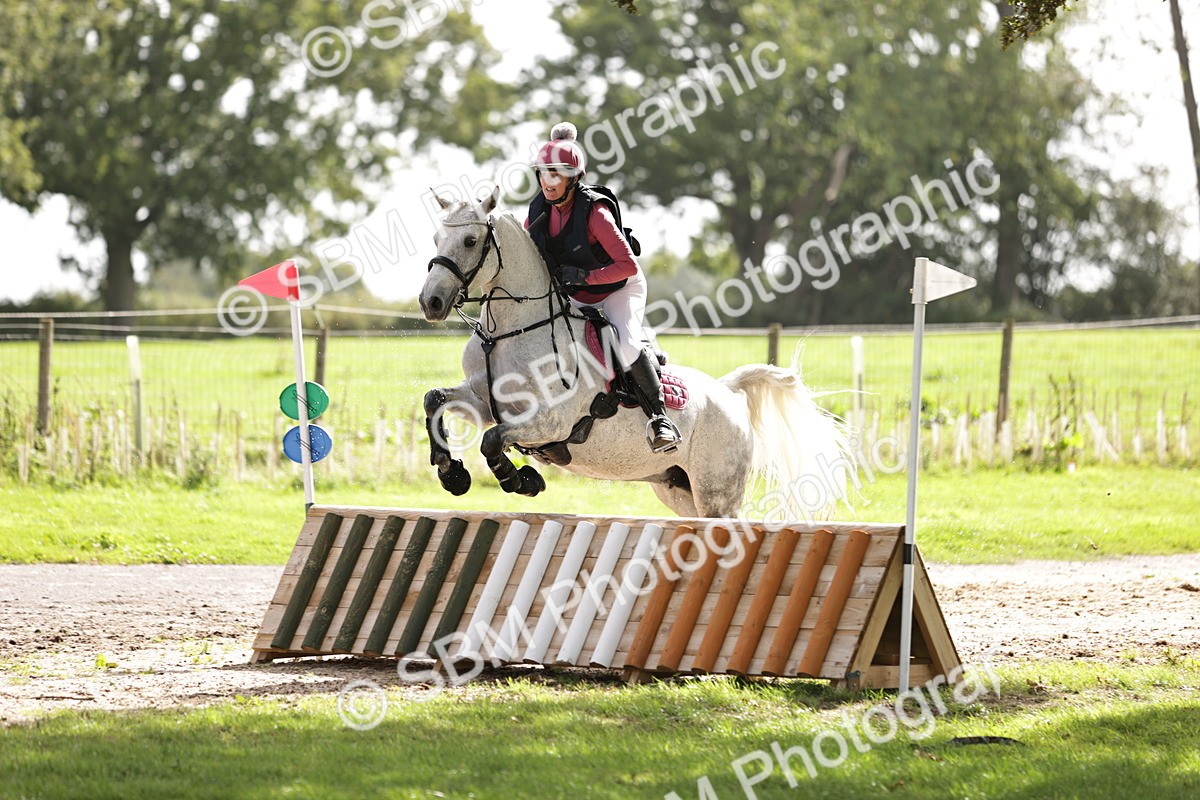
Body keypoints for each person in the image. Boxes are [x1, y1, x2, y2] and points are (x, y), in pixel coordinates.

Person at [524, 122, 682, 453]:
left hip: (619, 289)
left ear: (573, 178)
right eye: (543, 174)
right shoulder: (538, 211)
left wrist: (584, 278)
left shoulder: (595, 212)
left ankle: (659, 419)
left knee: (624, 346)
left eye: (556, 174)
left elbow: (627, 266)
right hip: (577, 296)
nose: (548, 182)